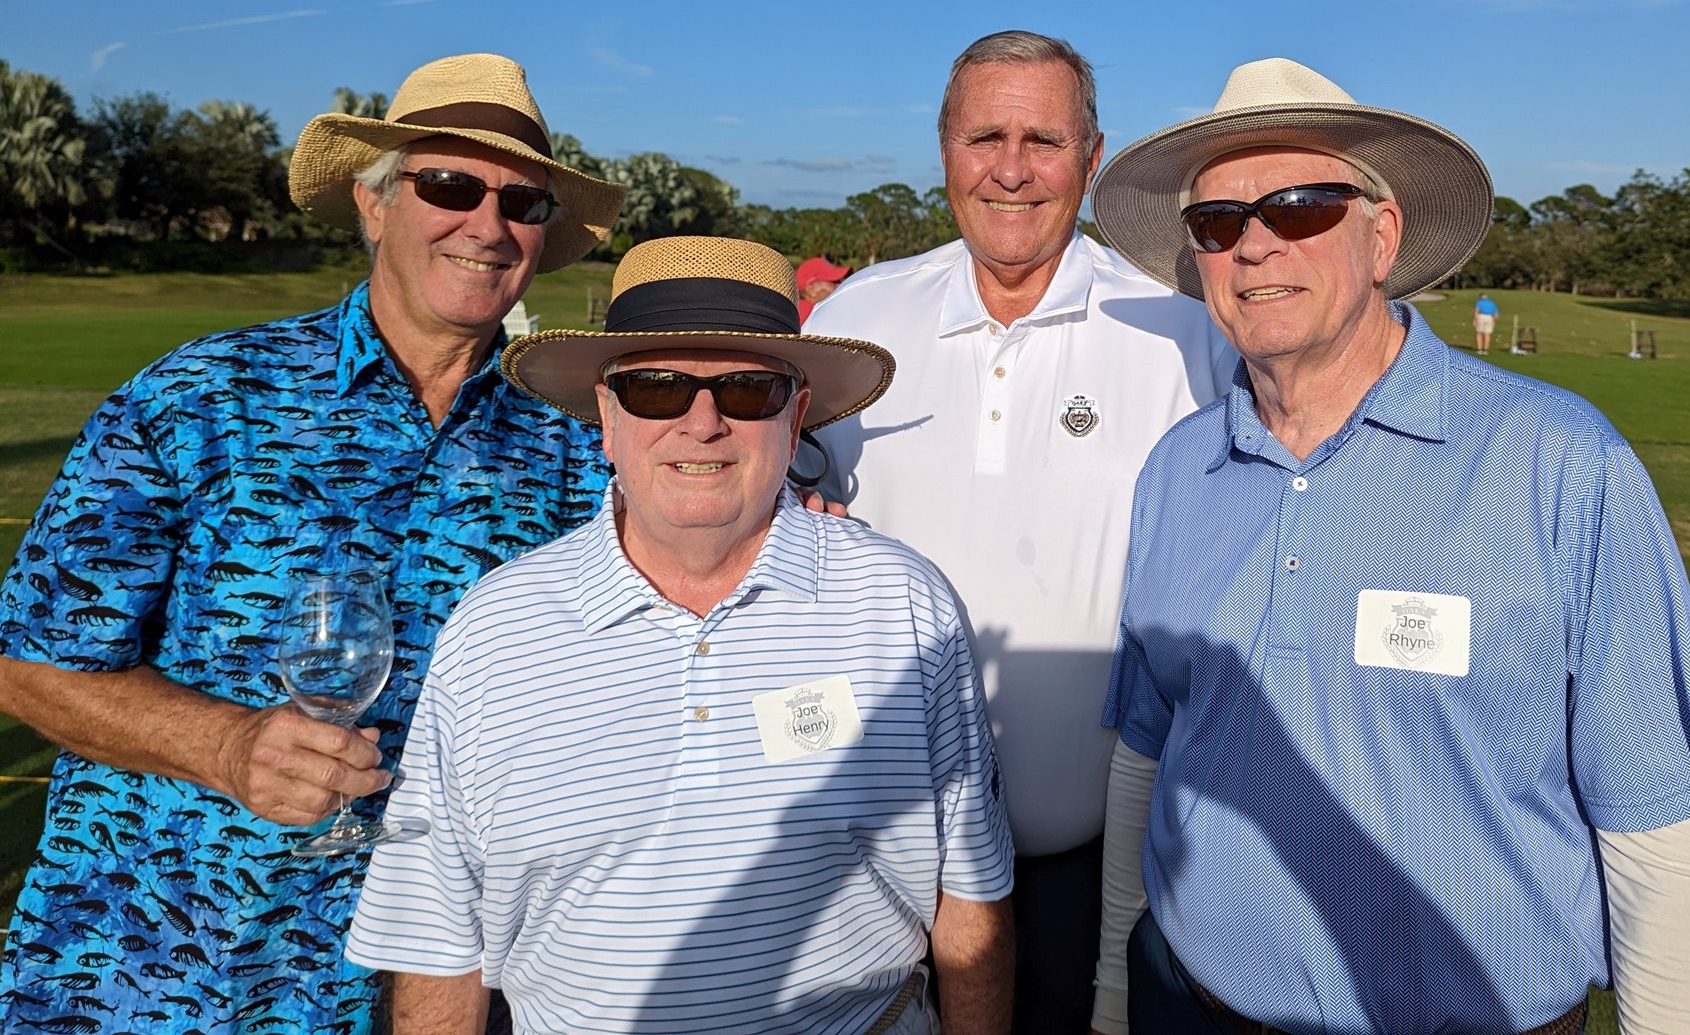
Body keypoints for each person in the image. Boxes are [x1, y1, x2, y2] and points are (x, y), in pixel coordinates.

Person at [1088, 57, 1690, 1035]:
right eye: (1217, 223)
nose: (1254, 246)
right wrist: (1110, 989)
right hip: (1190, 999)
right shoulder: (1175, 471)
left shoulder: (1558, 462)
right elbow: (1146, 750)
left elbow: (1658, 828)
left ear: (1380, 234)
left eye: (1301, 206)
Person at [0, 53, 624, 1035]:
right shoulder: (200, 399)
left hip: (431, 992)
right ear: (374, 205)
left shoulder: (576, 456)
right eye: (450, 185)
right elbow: (30, 664)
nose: (488, 225)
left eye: (524, 202)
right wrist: (226, 743)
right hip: (162, 976)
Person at [346, 237, 1015, 1034]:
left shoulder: (902, 603)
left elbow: (970, 901)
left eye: (748, 390)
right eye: (657, 388)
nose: (703, 423)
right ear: (606, 414)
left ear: (797, 413)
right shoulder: (494, 627)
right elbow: (435, 942)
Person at [806, 31, 1235, 1033]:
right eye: (982, 136)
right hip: (876, 866)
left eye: (1042, 139)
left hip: (1095, 874)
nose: (1009, 169)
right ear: (943, 151)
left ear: (1091, 158)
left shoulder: (1177, 325)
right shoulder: (859, 320)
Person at [796, 253, 853, 322]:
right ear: (811, 290)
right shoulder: (807, 316)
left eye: (840, 281)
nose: (839, 285)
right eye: (834, 281)